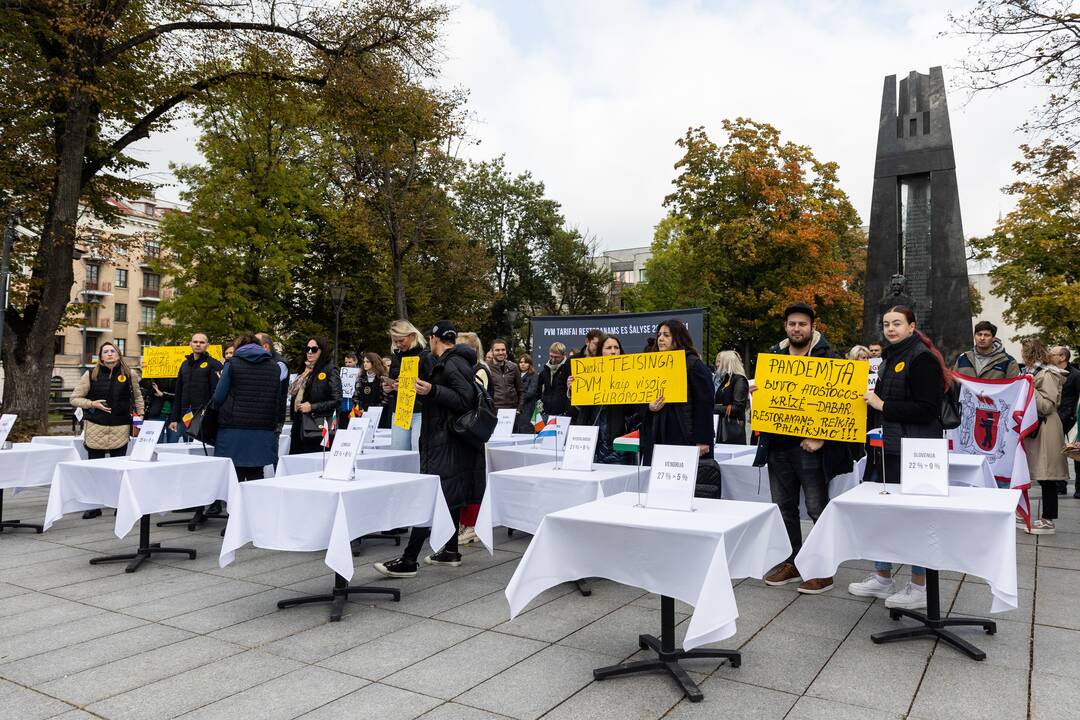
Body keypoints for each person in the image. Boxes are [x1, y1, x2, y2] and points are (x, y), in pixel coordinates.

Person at [848, 306, 949, 609]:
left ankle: (920, 586)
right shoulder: (889, 358)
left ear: (911, 326)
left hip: (915, 452)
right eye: (886, 324)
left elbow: (928, 409)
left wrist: (883, 405)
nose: (890, 329)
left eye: (897, 324)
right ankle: (882, 577)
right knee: (884, 514)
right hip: (888, 448)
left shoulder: (922, 359)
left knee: (915, 518)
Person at [755, 303, 852, 595]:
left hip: (811, 449)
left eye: (802, 324)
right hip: (778, 446)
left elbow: (842, 405)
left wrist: (822, 437)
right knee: (784, 509)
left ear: (812, 327)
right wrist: (756, 394)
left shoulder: (829, 358)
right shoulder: (774, 358)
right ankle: (793, 560)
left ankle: (823, 570)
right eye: (792, 324)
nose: (797, 328)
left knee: (816, 509)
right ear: (786, 326)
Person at [375, 320, 482, 577]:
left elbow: (463, 399)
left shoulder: (452, 361)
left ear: (433, 339)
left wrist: (432, 390)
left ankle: (409, 560)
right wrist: (414, 389)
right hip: (449, 438)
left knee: (429, 493)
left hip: (444, 438)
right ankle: (450, 551)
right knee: (450, 492)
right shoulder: (454, 359)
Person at [70, 341, 145, 518]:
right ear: (101, 356)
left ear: (118, 354)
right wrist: (91, 403)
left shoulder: (129, 374)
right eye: (106, 351)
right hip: (96, 426)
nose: (110, 354)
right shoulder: (91, 374)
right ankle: (94, 505)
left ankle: (120, 504)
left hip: (120, 426)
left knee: (119, 469)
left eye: (113, 351)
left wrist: (140, 420)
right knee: (96, 469)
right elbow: (74, 398)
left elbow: (138, 397)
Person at [640, 319, 715, 465]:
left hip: (684, 434)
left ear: (678, 338)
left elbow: (705, 404)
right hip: (657, 434)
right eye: (659, 334)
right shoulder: (652, 364)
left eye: (666, 335)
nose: (660, 339)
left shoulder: (693, 364)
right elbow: (639, 398)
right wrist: (649, 407)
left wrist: (703, 439)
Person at [211, 333, 281, 482]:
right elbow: (277, 400)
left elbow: (218, 397)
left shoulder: (232, 364)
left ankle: (233, 506)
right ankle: (254, 505)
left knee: (234, 476)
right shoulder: (274, 367)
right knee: (257, 475)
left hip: (233, 428)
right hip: (263, 428)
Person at [1021, 338, 1069, 534]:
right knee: (1040, 473)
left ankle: (1048, 519)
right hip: (1038, 427)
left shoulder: (1045, 374)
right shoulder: (1033, 372)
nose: (1022, 354)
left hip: (1046, 427)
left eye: (1024, 351)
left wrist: (1029, 386)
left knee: (1047, 475)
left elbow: (1047, 405)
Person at [570, 334, 635, 464]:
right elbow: (581, 409)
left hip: (618, 441)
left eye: (616, 348)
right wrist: (574, 390)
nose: (613, 351)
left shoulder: (630, 374)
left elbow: (633, 410)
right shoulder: (588, 372)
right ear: (601, 351)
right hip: (591, 439)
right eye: (609, 348)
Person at [455, 332, 491, 546]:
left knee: (474, 478)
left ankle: (472, 525)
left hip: (474, 431)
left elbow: (475, 399)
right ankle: (465, 522)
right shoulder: (470, 370)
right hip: (466, 430)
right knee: (464, 477)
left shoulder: (480, 370)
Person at [382, 320, 434, 448]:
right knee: (398, 454)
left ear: (412, 336)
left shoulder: (426, 356)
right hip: (400, 411)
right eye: (395, 341)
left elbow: (433, 385)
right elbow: (393, 381)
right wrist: (388, 388)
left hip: (421, 411)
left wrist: (411, 385)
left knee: (418, 453)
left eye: (401, 340)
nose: (398, 344)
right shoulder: (396, 356)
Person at [288, 336, 342, 455]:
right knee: (295, 459)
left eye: (314, 349)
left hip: (317, 424)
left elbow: (337, 400)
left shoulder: (330, 370)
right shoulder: (305, 369)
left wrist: (312, 407)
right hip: (300, 421)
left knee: (312, 460)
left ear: (322, 351)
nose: (309, 352)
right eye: (307, 349)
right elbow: (292, 392)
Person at [169, 333, 223, 440]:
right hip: (184, 415)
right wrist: (174, 418)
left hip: (203, 416)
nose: (198, 344)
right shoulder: (184, 365)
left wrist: (210, 415)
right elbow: (178, 392)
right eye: (195, 342)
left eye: (202, 342)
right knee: (184, 448)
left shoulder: (214, 364)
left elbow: (216, 393)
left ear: (207, 345)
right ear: (190, 344)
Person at [1049, 346, 1080, 497]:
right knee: (1056, 453)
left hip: (1072, 420)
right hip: (1056, 418)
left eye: (1053, 354)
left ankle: (1079, 488)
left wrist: (1073, 416)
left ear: (1062, 357)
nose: (1050, 356)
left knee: (1076, 453)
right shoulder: (1051, 373)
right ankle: (1059, 485)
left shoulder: (1075, 375)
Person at [953, 321, 1021, 379]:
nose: (982, 338)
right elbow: (953, 384)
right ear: (974, 336)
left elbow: (1015, 388)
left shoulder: (1008, 361)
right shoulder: (963, 358)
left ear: (993, 338)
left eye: (986, 335)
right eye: (979, 334)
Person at [256, 332, 290, 436]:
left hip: (273, 417)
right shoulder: (263, 361)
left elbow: (268, 385)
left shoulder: (280, 364)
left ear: (265, 346)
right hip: (260, 415)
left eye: (254, 345)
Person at [713, 350, 749, 445]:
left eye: (720, 361)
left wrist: (713, 408)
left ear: (727, 362)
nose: (717, 364)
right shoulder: (725, 379)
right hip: (721, 426)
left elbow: (738, 408)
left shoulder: (739, 380)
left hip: (731, 430)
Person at [528, 342, 570, 419]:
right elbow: (537, 393)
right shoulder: (544, 371)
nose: (553, 359)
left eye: (556, 357)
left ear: (563, 355)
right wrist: (541, 409)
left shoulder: (569, 369)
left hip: (564, 415)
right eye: (551, 356)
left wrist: (567, 410)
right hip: (545, 415)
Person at [488, 338, 523, 417]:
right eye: (497, 350)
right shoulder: (486, 367)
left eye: (503, 350)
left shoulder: (514, 367)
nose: (501, 352)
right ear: (492, 351)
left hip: (512, 410)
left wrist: (519, 409)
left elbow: (520, 390)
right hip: (494, 410)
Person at [517, 354, 539, 432]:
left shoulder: (534, 375)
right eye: (521, 362)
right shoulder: (515, 374)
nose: (522, 364)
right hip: (516, 408)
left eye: (525, 362)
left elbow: (530, 393)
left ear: (530, 364)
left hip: (528, 408)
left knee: (526, 430)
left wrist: (517, 399)